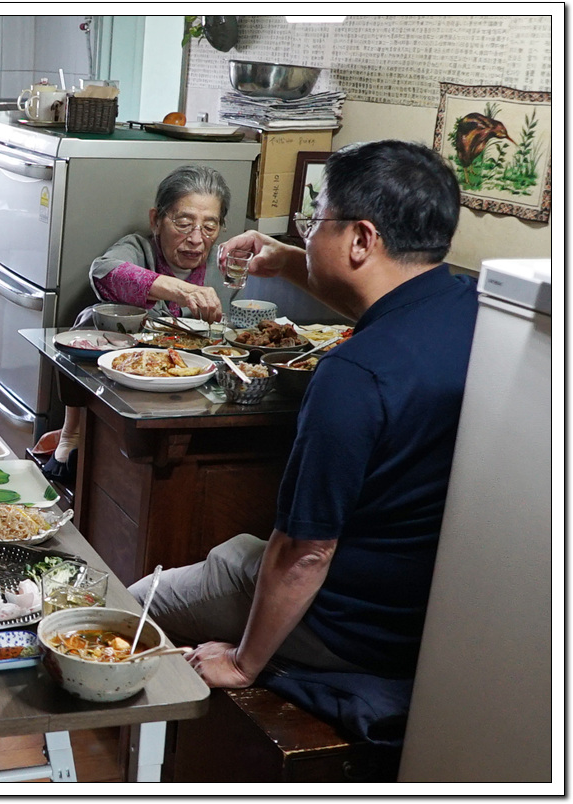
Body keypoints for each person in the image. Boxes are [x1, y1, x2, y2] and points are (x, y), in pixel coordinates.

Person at [134, 140, 477, 695]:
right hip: (432, 616)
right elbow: (385, 309)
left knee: (135, 604)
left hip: (348, 626)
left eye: (315, 222)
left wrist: (242, 664)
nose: (307, 234)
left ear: (361, 239)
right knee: (236, 551)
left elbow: (306, 553)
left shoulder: (352, 375)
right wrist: (291, 261)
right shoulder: (472, 304)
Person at [40, 165, 231, 482]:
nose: (197, 239)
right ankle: (72, 432)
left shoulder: (227, 264)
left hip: (198, 390)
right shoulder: (138, 248)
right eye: (184, 223)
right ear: (156, 220)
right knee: (90, 318)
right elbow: (104, 272)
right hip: (128, 379)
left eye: (209, 227)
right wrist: (180, 290)